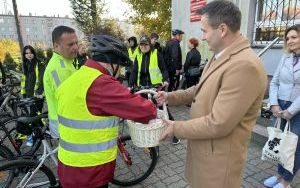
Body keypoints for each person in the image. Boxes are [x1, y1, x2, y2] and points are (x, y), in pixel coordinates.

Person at [156, 1, 267, 187]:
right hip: (205, 152)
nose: (203, 37)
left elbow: (219, 124)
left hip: (218, 164)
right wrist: (170, 97)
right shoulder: (220, 55)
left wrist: (176, 127)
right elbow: (199, 89)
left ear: (222, 29)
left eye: (205, 30)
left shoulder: (244, 66)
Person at [56, 35, 157, 188]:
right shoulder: (100, 83)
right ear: (111, 63)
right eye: (120, 66)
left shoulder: (74, 79)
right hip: (90, 172)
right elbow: (146, 111)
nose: (120, 72)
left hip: (68, 165)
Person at [264, 24, 300, 188]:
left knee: (294, 146)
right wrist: (273, 104)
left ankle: (286, 181)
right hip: (280, 106)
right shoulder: (285, 57)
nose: (289, 41)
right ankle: (279, 175)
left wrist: (291, 111)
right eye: (287, 38)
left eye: (294, 37)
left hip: (297, 109)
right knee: (279, 140)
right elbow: (275, 82)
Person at [43, 25, 78, 138]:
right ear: (56, 46)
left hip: (66, 119)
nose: (76, 47)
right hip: (64, 122)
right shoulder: (58, 67)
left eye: (76, 43)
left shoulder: (66, 61)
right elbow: (68, 98)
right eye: (70, 44)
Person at [20, 45, 45, 146]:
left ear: (34, 53)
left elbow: (41, 79)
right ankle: (44, 133)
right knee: (35, 117)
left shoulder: (39, 63)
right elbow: (23, 80)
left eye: (30, 53)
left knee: (33, 116)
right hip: (30, 95)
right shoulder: (26, 64)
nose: (29, 55)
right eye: (26, 53)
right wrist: (23, 94)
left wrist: (38, 93)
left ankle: (33, 137)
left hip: (38, 95)